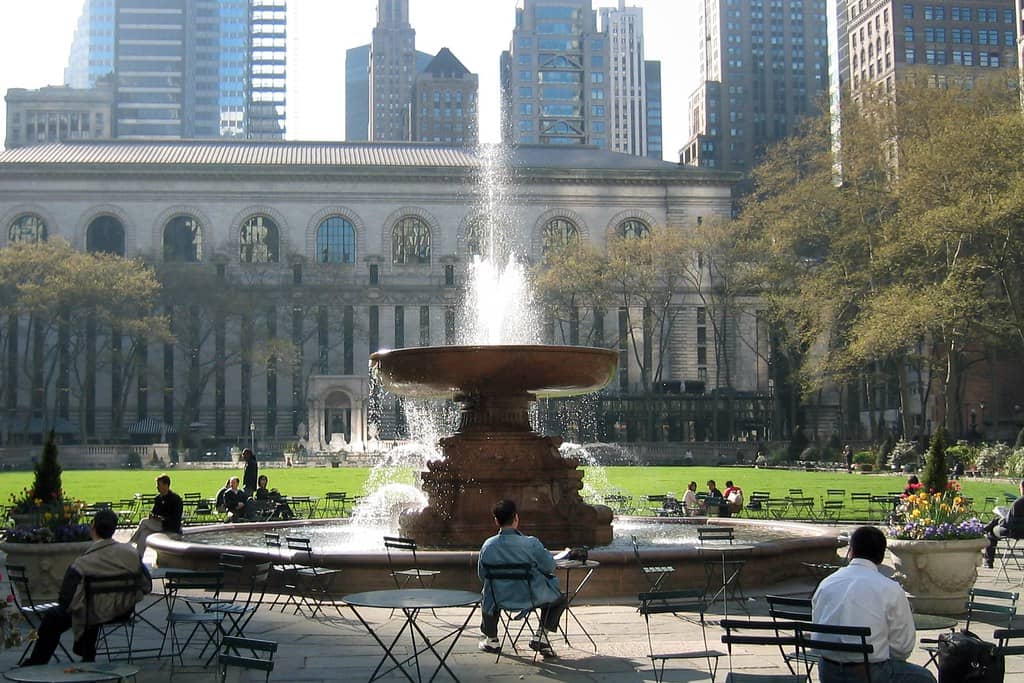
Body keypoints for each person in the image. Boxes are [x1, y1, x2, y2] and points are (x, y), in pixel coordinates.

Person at [25, 509, 152, 665]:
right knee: (93, 605)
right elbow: (147, 585)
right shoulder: (131, 554)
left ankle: (37, 662)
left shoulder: (84, 562)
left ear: (93, 528)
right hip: (122, 610)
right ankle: (86, 654)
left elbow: (66, 599)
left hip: (91, 614)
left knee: (59, 615)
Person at [812, 526, 935, 683]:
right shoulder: (889, 589)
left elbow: (818, 628)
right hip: (869, 672)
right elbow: (902, 647)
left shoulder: (827, 584)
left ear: (851, 551)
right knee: (925, 677)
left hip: (828, 671)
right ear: (881, 556)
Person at [477, 499, 565, 659]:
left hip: (498, 599)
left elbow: (482, 575)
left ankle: (491, 639)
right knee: (560, 598)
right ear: (516, 518)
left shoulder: (488, 546)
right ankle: (541, 636)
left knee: (488, 591)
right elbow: (550, 567)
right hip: (531, 597)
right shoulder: (531, 544)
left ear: (496, 521)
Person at [129, 473, 183, 558]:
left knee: (144, 522)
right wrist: (153, 516)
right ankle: (138, 558)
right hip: (159, 525)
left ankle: (130, 542)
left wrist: (162, 519)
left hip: (170, 527)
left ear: (166, 485)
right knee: (144, 533)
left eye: (159, 485)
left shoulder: (175, 499)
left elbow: (176, 518)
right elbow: (154, 512)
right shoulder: (158, 498)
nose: (157, 487)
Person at [984, 479, 1024, 568]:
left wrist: (1001, 520)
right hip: (1020, 530)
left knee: (991, 533)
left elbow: (1008, 523)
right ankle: (989, 525)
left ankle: (988, 561)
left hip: (1014, 531)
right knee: (997, 520)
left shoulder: (1018, 503)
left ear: (1022, 488)